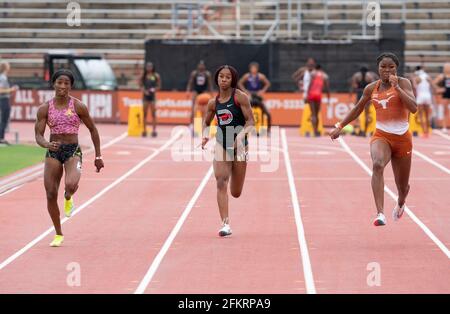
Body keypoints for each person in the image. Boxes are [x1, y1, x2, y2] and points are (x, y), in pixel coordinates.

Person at [330, 52, 417, 226]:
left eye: (391, 67)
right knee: (377, 165)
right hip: (382, 136)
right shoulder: (371, 88)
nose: (387, 70)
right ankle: (380, 213)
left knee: (403, 188)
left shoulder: (404, 83)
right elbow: (357, 109)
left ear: (396, 68)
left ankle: (400, 202)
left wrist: (398, 89)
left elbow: (413, 108)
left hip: (402, 140)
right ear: (378, 68)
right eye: (383, 67)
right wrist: (339, 126)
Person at [34, 69, 104, 247]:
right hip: (53, 151)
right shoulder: (45, 108)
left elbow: (93, 129)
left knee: (71, 185)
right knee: (50, 193)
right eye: (59, 82)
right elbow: (39, 135)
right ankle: (58, 233)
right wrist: (46, 144)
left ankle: (68, 197)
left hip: (73, 151)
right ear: (54, 84)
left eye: (66, 83)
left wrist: (98, 155)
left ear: (71, 86)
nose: (62, 86)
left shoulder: (78, 106)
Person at [201, 65, 255, 237]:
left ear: (233, 80)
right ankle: (225, 224)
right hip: (221, 143)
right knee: (220, 181)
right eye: (221, 77)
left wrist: (240, 136)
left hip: (239, 146)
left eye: (227, 77)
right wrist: (204, 136)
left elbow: (251, 122)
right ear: (217, 78)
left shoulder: (240, 98)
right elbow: (206, 122)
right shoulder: (212, 103)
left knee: (236, 192)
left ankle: (236, 179)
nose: (224, 80)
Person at [238, 62, 271, 132]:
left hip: (258, 95)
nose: (253, 69)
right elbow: (240, 83)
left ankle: (268, 130)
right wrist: (245, 91)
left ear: (257, 69)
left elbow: (268, 83)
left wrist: (262, 91)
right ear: (250, 69)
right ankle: (242, 128)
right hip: (250, 95)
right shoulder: (247, 76)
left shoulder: (260, 76)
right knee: (242, 111)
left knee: (268, 113)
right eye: (252, 68)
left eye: (255, 68)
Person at [350, 66, 378, 136]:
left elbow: (354, 86)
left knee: (357, 112)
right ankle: (365, 131)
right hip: (367, 95)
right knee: (367, 113)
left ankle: (359, 130)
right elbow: (374, 86)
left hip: (360, 94)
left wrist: (351, 93)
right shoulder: (370, 76)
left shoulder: (356, 75)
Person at [186, 60, 213, 132]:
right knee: (193, 108)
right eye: (200, 65)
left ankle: (203, 125)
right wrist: (188, 91)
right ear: (198, 66)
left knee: (205, 110)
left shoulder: (207, 74)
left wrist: (211, 95)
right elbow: (190, 83)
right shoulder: (194, 73)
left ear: (204, 66)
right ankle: (191, 125)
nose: (201, 66)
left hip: (204, 92)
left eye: (202, 65)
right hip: (196, 91)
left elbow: (210, 85)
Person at [306, 64, 330, 136]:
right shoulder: (324, 76)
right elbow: (327, 89)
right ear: (321, 69)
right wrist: (328, 98)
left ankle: (314, 131)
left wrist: (307, 95)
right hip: (318, 95)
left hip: (311, 94)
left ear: (315, 68)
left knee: (313, 114)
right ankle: (316, 132)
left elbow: (310, 85)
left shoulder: (313, 73)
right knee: (317, 114)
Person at [140, 62, 161, 137]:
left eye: (150, 66)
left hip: (152, 97)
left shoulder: (156, 76)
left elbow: (159, 86)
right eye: (148, 66)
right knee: (144, 114)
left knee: (153, 114)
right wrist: (144, 91)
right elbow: (141, 85)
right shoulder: (144, 75)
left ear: (153, 67)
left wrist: (154, 89)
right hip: (145, 97)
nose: (149, 68)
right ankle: (144, 130)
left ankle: (154, 130)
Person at [0, 61, 18, 145]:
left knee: (4, 119)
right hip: (3, 100)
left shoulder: (3, 77)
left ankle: (2, 137)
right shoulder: (3, 78)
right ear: (5, 67)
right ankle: (1, 138)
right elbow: (0, 90)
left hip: (4, 99)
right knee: (3, 119)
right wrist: (12, 89)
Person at [413, 66, 435, 137]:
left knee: (421, 115)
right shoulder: (427, 77)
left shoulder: (417, 77)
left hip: (420, 96)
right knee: (427, 114)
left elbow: (414, 87)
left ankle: (424, 132)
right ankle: (428, 131)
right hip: (427, 96)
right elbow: (432, 86)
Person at [433, 62, 450, 133]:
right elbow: (433, 83)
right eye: (446, 67)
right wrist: (439, 89)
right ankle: (444, 127)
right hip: (445, 94)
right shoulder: (442, 76)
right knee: (445, 111)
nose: (447, 68)